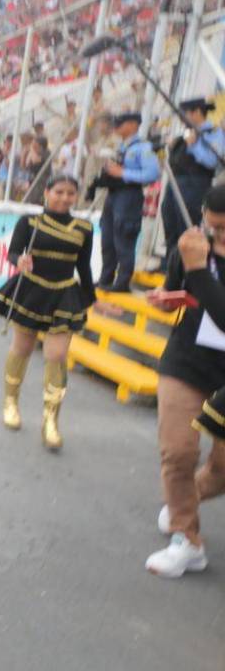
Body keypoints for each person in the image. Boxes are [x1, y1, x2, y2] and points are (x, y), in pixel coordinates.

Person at [143, 189, 225, 578]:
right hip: (185, 362)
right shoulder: (191, 247)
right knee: (177, 452)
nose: (218, 234)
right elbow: (176, 288)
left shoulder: (196, 256)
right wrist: (166, 298)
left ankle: (181, 500)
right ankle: (186, 539)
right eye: (214, 224)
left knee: (222, 469)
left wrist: (197, 269)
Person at [0, 175, 95, 450]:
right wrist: (20, 260)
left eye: (70, 193)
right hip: (32, 291)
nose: (64, 198)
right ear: (47, 193)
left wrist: (90, 299)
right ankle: (10, 403)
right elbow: (13, 252)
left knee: (57, 355)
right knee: (22, 349)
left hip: (64, 294)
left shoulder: (84, 228)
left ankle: (51, 420)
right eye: (59, 192)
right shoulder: (29, 222)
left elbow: (84, 268)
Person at [97, 112, 159, 292]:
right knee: (107, 238)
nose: (116, 126)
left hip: (129, 195)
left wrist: (122, 173)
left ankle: (122, 282)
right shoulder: (121, 146)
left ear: (133, 125)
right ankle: (105, 278)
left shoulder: (143, 148)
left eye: (121, 122)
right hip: (114, 194)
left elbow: (152, 174)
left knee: (124, 239)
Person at [162, 98, 223, 266]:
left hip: (195, 185)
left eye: (185, 113)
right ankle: (169, 267)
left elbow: (211, 161)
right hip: (176, 183)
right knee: (170, 224)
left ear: (196, 112)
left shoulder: (213, 133)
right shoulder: (187, 133)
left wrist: (193, 146)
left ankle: (186, 269)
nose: (182, 118)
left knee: (187, 227)